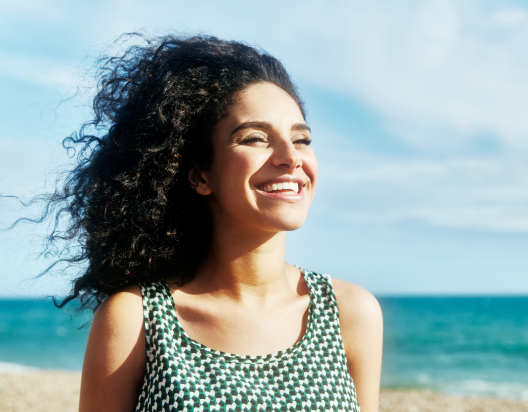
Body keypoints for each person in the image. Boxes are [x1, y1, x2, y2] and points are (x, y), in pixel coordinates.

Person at [51, 34, 383, 411]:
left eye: (302, 139)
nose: (291, 157)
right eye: (256, 138)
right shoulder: (136, 318)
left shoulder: (350, 312)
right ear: (199, 175)